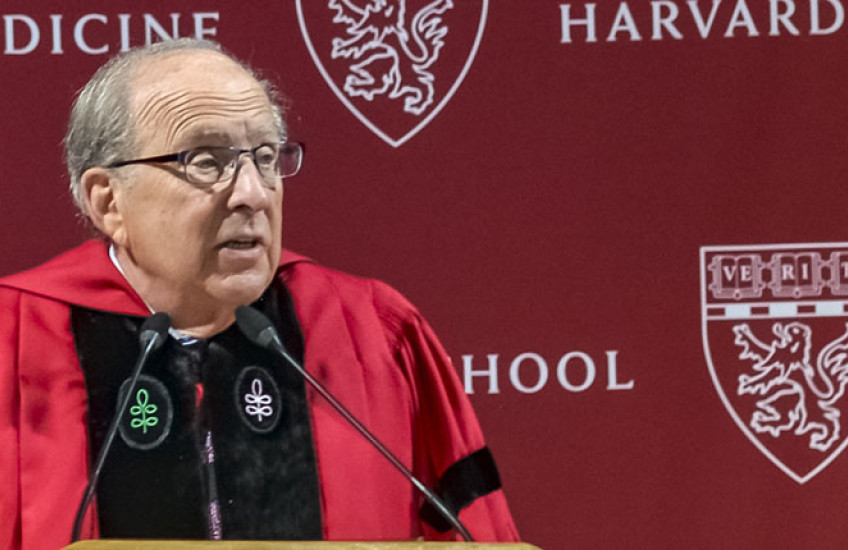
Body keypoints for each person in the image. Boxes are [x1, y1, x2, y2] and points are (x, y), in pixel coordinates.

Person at [0, 39, 518, 547]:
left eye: (266, 157)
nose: (252, 193)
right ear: (107, 200)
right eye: (206, 161)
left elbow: (475, 535)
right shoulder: (14, 339)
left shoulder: (372, 335)